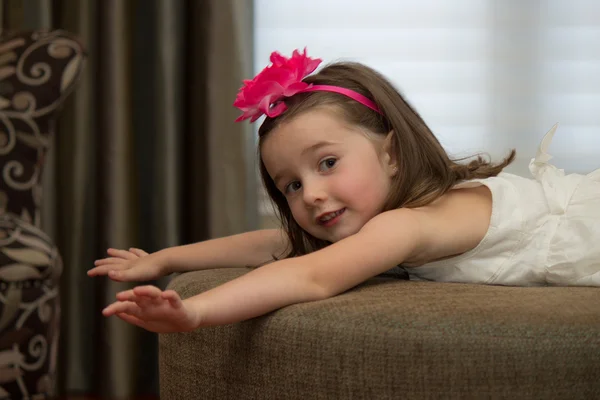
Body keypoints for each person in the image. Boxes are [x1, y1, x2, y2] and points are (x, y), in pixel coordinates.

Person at [89, 49, 600, 333]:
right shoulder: (393, 213)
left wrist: (197, 312)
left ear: (392, 153)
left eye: (327, 163)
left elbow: (310, 276)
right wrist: (163, 260)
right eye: (291, 184)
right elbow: (271, 244)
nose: (310, 194)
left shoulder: (406, 223)